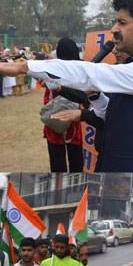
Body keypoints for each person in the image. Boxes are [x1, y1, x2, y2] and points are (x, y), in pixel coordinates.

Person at [0, 0, 133, 172]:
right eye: (115, 21)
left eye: (122, 23)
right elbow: (111, 115)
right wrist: (95, 96)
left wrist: (25, 66)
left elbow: (88, 72)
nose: (114, 29)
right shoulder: (132, 67)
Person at [43, 38, 85, 173]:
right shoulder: (81, 70)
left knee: (57, 161)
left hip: (55, 118)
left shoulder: (52, 69)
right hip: (74, 119)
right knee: (76, 159)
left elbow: (47, 98)